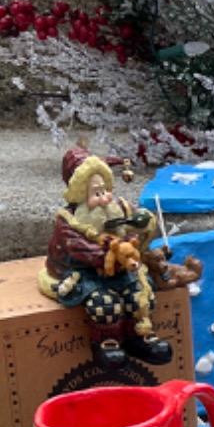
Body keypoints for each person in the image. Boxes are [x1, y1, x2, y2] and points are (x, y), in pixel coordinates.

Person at [39, 148, 171, 370]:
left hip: (121, 269)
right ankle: (106, 342)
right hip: (86, 272)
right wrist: (110, 255)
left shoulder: (118, 208)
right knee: (105, 304)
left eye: (104, 190)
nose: (103, 198)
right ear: (80, 192)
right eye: (95, 193)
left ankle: (139, 335)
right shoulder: (69, 220)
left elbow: (134, 229)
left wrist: (141, 228)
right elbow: (78, 248)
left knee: (139, 295)